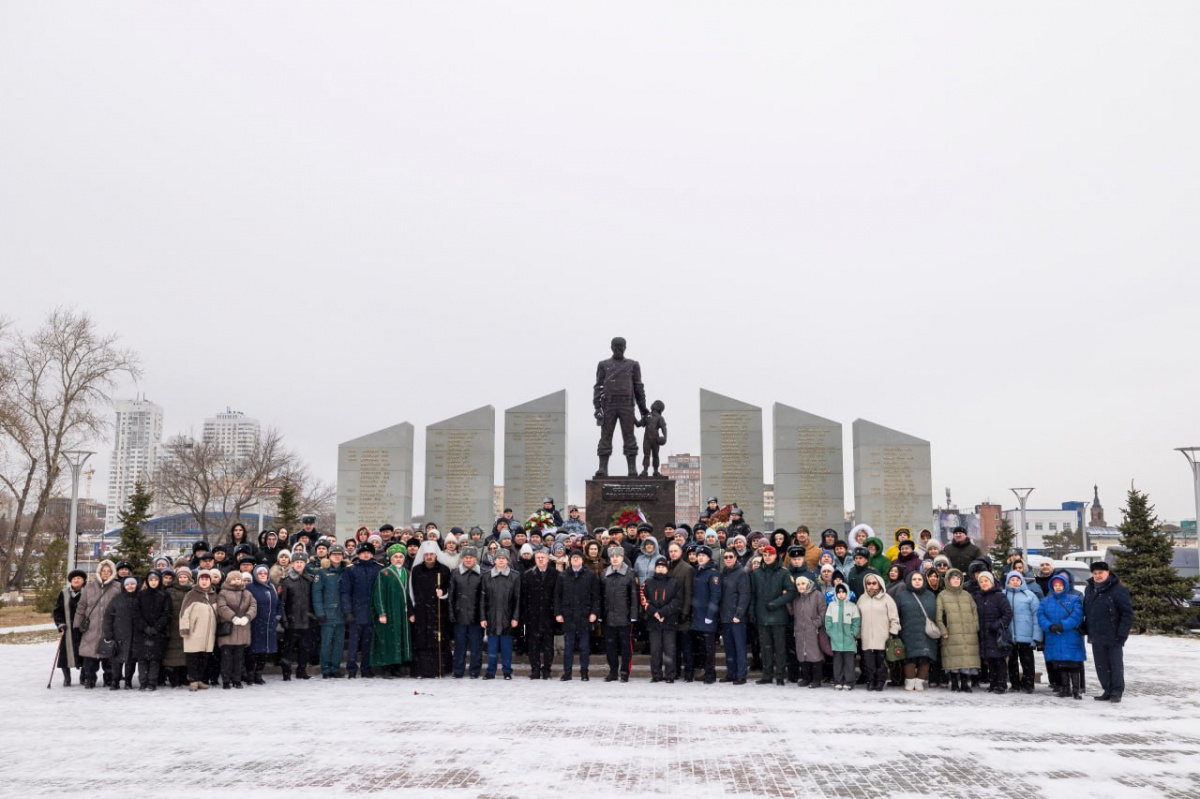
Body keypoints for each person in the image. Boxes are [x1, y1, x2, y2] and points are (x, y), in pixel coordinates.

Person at [1083, 561, 1133, 703]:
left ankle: (1116, 691)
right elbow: (1087, 610)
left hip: (1113, 634)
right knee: (1101, 665)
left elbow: (1127, 614)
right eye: (1095, 573)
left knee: (1115, 664)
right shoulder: (1090, 589)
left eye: (1101, 573)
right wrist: (1085, 627)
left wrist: (1122, 633)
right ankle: (1107, 689)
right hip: (1096, 634)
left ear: (1108, 573)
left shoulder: (1118, 589)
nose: (1097, 575)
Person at [749, 544, 794, 686]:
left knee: (780, 648)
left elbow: (791, 592)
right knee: (765, 648)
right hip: (762, 615)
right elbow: (753, 594)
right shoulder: (756, 573)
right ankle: (767, 674)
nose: (767, 557)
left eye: (770, 555)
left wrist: (776, 603)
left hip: (779, 616)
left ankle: (780, 675)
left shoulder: (784, 573)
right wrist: (752, 611)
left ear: (776, 556)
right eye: (765, 555)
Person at [1039, 571, 1088, 700]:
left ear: (1065, 585)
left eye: (1060, 585)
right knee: (1061, 665)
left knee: (1073, 665)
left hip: (1071, 636)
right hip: (1054, 636)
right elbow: (1041, 616)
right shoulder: (1045, 601)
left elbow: (1077, 616)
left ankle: (1076, 690)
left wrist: (1063, 625)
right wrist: (1050, 626)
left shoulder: (1074, 599)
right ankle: (1065, 689)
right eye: (1055, 585)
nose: (1058, 587)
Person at [75, 558, 122, 689]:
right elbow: (81, 606)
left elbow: (121, 607)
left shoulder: (117, 587)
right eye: (103, 570)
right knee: (90, 656)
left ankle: (109, 678)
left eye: (108, 571)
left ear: (112, 572)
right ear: (99, 572)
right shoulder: (89, 586)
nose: (105, 573)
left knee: (109, 653)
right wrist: (77, 624)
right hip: (91, 627)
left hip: (110, 627)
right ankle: (89, 679)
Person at [408, 540, 452, 678]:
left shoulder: (444, 570)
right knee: (421, 640)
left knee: (437, 640)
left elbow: (450, 588)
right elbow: (410, 592)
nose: (429, 557)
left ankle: (439, 669)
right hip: (421, 611)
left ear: (436, 555)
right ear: (423, 555)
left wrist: (443, 593)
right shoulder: (416, 570)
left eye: (431, 554)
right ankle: (421, 670)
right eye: (426, 554)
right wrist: (412, 611)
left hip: (438, 611)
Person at [556, 549, 600, 681]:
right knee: (568, 647)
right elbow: (557, 596)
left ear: (582, 560)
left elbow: (596, 596)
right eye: (573, 558)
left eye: (578, 557)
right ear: (570, 560)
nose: (575, 559)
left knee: (584, 647)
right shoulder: (563, 576)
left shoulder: (590, 575)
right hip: (568, 615)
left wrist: (594, 612)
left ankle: (584, 672)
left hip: (584, 615)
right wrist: (558, 613)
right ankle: (567, 672)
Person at [341, 542, 382, 678]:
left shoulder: (378, 569)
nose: (366, 555)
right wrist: (347, 611)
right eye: (363, 553)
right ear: (358, 554)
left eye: (369, 553)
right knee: (353, 644)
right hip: (356, 612)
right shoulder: (351, 569)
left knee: (368, 643)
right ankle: (351, 669)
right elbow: (345, 592)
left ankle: (366, 668)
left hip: (371, 612)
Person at [935, 569, 980, 693]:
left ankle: (965, 683)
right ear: (948, 580)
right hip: (951, 632)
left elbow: (974, 612)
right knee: (953, 659)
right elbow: (938, 616)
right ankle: (954, 683)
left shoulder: (967, 595)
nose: (956, 580)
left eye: (958, 578)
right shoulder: (942, 595)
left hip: (968, 633)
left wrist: (975, 626)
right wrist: (943, 630)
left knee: (966, 658)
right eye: (953, 578)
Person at [372, 544, 413, 678]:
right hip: (390, 611)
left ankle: (396, 666)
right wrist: (381, 612)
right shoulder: (384, 573)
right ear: (390, 558)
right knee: (388, 639)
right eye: (395, 557)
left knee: (399, 638)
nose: (398, 559)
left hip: (403, 612)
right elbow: (379, 593)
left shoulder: (407, 573)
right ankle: (386, 668)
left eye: (401, 557)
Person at [894, 571, 939, 691]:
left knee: (926, 657)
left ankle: (920, 681)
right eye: (914, 579)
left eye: (920, 579)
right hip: (908, 633)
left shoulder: (931, 595)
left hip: (927, 633)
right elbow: (896, 615)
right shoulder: (901, 596)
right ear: (909, 581)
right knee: (910, 658)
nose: (917, 581)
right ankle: (909, 681)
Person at [600, 547, 639, 682]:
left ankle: (624, 672)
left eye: (618, 556)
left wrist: (633, 615)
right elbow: (601, 596)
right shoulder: (604, 573)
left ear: (622, 558)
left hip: (625, 617)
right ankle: (613, 672)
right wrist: (601, 614)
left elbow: (634, 596)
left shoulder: (630, 573)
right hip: (609, 617)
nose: (615, 558)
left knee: (625, 646)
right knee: (610, 647)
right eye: (612, 556)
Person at [482, 548, 521, 680]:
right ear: (494, 560)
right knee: (492, 648)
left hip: (507, 617)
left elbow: (517, 599)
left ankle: (507, 671)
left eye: (503, 558)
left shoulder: (515, 576)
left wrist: (515, 617)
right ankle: (490, 672)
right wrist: (483, 617)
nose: (501, 561)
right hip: (491, 616)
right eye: (499, 558)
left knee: (506, 647)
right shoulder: (486, 576)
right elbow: (482, 599)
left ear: (507, 560)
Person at [856, 573, 900, 692]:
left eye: (874, 583)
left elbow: (894, 618)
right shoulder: (862, 599)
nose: (871, 585)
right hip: (866, 637)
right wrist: (858, 634)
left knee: (881, 662)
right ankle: (871, 681)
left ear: (879, 584)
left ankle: (880, 681)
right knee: (868, 662)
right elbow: (857, 618)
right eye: (868, 583)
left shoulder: (887, 599)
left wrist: (893, 631)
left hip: (882, 636)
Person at [520, 547, 559, 680]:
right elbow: (524, 597)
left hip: (549, 615)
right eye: (538, 558)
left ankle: (547, 670)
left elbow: (557, 596)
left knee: (548, 645)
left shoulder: (556, 574)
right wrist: (525, 615)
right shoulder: (528, 575)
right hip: (533, 616)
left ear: (548, 560)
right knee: (533, 645)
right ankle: (535, 670)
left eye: (543, 558)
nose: (541, 560)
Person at [215, 570, 257, 689]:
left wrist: (247, 617)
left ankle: (237, 679)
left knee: (239, 658)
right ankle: (226, 680)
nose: (236, 581)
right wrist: (232, 617)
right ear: (229, 580)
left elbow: (253, 606)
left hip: (243, 629)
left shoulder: (247, 593)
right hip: (228, 629)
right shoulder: (223, 593)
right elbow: (221, 607)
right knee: (226, 658)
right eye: (234, 579)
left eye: (238, 579)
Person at [642, 556, 681, 683]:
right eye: (658, 567)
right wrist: (654, 612)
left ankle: (670, 675)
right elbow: (643, 599)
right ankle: (656, 675)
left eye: (663, 567)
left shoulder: (674, 582)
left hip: (669, 620)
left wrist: (663, 612)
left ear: (667, 569)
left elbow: (677, 601)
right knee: (655, 650)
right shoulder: (648, 582)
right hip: (653, 621)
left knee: (670, 650)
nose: (660, 569)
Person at [974, 572, 1014, 694]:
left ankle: (1001, 684)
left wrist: (998, 624)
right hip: (984, 634)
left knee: (1000, 660)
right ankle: (993, 683)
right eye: (981, 582)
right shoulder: (979, 597)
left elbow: (1007, 614)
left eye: (986, 581)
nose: (984, 583)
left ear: (991, 582)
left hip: (997, 634)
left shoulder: (999, 596)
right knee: (990, 660)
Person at [449, 545, 484, 679]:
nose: (468, 560)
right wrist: (452, 613)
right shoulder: (455, 573)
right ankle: (458, 670)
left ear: (476, 559)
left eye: (471, 557)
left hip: (476, 616)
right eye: (466, 557)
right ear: (462, 558)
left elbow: (484, 597)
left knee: (476, 646)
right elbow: (451, 596)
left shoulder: (482, 574)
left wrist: (482, 616)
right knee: (460, 646)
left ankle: (474, 671)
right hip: (460, 616)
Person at [179, 570, 219, 691]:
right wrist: (184, 629)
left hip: (209, 634)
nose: (204, 581)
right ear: (198, 580)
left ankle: (200, 680)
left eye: (207, 579)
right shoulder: (191, 594)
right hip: (193, 633)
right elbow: (184, 613)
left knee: (204, 657)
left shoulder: (214, 595)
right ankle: (193, 681)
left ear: (210, 581)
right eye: (202, 579)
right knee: (193, 658)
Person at [278, 555, 316, 681]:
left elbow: (312, 600)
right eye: (297, 562)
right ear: (292, 564)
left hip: (306, 620)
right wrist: (284, 619)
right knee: (288, 649)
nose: (299, 564)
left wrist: (312, 616)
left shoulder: (309, 580)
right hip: (291, 620)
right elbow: (282, 602)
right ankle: (286, 672)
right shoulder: (286, 581)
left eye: (302, 562)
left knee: (304, 648)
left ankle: (302, 670)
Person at [1004, 570, 1042, 693]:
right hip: (1010, 636)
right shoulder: (1003, 595)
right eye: (1012, 580)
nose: (1015, 582)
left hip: (1026, 635)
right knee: (1012, 662)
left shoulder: (1030, 595)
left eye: (1017, 580)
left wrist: (1036, 636)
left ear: (1022, 581)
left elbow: (1036, 616)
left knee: (1027, 661)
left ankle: (1028, 684)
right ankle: (1015, 684)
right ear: (1008, 582)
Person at [313, 544, 347, 678]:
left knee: (339, 643)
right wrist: (319, 612)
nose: (337, 557)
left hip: (342, 613)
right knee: (326, 643)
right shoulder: (322, 572)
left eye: (339, 554)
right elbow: (317, 593)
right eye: (334, 554)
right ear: (329, 556)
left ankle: (335, 668)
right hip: (327, 614)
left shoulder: (346, 571)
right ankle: (326, 669)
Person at [690, 546, 722, 684]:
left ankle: (710, 673)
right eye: (699, 555)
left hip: (707, 616)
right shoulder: (697, 571)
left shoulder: (713, 573)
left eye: (703, 555)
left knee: (709, 648)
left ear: (709, 558)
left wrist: (710, 615)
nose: (700, 558)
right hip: (697, 615)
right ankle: (705, 671)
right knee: (702, 647)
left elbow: (715, 596)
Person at [718, 549, 749, 685]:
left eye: (731, 556)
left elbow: (744, 595)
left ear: (736, 558)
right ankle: (731, 673)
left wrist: (739, 614)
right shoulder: (723, 573)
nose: (728, 559)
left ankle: (741, 675)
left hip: (737, 618)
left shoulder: (741, 573)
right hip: (725, 616)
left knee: (739, 647)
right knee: (729, 647)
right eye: (726, 557)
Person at [791, 575, 827, 689]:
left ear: (808, 584)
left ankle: (816, 679)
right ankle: (806, 678)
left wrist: (815, 623)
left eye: (803, 583)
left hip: (813, 630)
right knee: (803, 654)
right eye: (798, 584)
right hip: (800, 630)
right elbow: (791, 611)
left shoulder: (817, 595)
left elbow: (823, 611)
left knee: (815, 655)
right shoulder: (796, 597)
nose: (800, 586)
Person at [53, 569, 87, 687]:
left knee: (85, 653)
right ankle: (67, 678)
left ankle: (83, 677)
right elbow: (57, 611)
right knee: (65, 655)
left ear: (83, 581)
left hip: (84, 628)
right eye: (74, 578)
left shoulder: (87, 592)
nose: (76, 580)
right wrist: (60, 623)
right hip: (68, 629)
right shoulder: (64, 593)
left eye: (79, 578)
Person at [247, 565, 280, 685]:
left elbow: (278, 604)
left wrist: (277, 616)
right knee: (253, 650)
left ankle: (259, 674)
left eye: (264, 573)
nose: (262, 575)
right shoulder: (250, 587)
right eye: (259, 573)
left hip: (269, 624)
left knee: (265, 651)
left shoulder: (271, 587)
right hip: (256, 623)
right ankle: (250, 674)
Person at [825, 583, 861, 690]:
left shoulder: (852, 606)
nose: (841, 594)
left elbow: (856, 622)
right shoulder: (832, 606)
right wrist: (831, 632)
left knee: (849, 662)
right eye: (839, 592)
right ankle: (838, 681)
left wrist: (853, 633)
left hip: (848, 639)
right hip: (836, 639)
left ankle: (849, 682)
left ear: (847, 593)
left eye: (843, 592)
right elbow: (828, 621)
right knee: (837, 662)